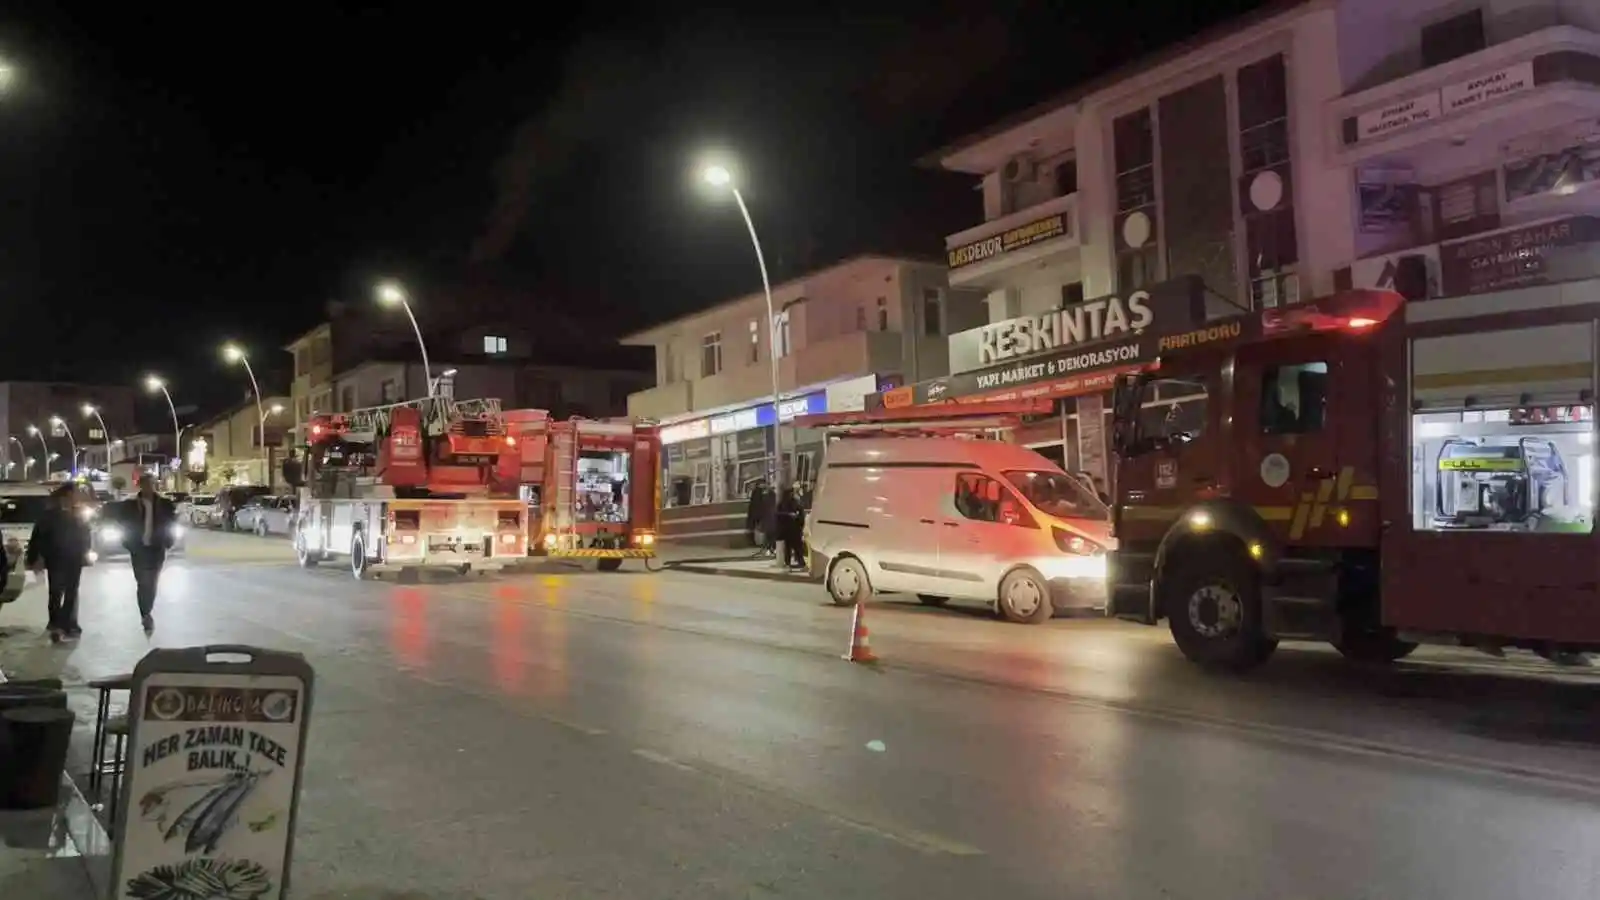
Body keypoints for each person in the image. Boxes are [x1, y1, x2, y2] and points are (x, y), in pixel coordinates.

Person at [25, 484, 91, 642]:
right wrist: (35, 558)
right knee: (56, 592)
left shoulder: (79, 514)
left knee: (71, 592)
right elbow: (38, 537)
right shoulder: (49, 515)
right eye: (76, 493)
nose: (78, 496)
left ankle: (67, 625)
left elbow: (85, 535)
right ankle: (56, 624)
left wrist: (86, 553)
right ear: (67, 495)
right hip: (56, 558)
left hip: (74, 559)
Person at [117, 475, 178, 634]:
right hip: (139, 549)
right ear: (141, 486)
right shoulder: (130, 505)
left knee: (152, 581)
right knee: (143, 582)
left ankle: (147, 611)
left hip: (157, 548)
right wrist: (128, 543)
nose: (149, 487)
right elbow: (123, 524)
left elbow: (171, 523)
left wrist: (168, 541)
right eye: (146, 484)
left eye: (152, 484)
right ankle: (145, 613)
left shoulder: (165, 504)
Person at [776, 485, 806, 570]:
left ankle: (797, 563)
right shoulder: (784, 503)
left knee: (795, 548)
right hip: (790, 529)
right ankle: (791, 563)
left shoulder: (794, 502)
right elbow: (778, 514)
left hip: (793, 529)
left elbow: (801, 513)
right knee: (792, 548)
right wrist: (789, 515)